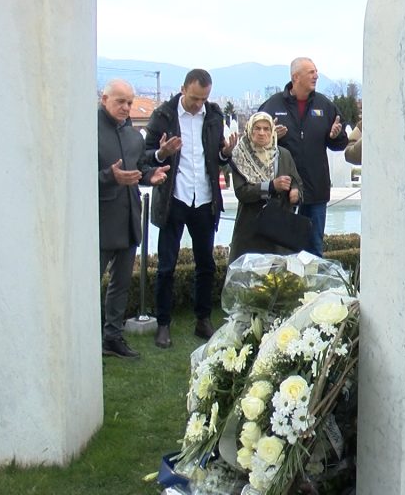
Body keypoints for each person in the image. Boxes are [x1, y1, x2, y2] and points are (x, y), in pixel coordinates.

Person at [145, 69, 238, 348]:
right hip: (174, 197)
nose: (198, 104)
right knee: (166, 266)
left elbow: (216, 157)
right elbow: (146, 156)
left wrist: (225, 154)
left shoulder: (213, 116)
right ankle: (163, 323)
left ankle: (203, 319)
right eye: (195, 98)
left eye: (203, 99)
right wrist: (162, 153)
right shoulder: (163, 116)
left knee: (205, 264)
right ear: (183, 89)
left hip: (205, 198)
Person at [97, 79, 170, 359]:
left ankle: (112, 337)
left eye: (129, 102)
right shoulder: (87, 131)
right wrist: (110, 177)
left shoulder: (133, 137)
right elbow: (75, 176)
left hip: (129, 219)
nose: (127, 107)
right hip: (99, 222)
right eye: (121, 102)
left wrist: (151, 176)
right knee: (89, 285)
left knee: (121, 284)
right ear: (104, 99)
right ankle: (84, 339)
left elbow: (139, 169)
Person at [259, 57, 349, 256]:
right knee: (281, 250)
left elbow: (341, 144)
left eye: (316, 71)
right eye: (311, 72)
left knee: (314, 249)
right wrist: (272, 138)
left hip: (316, 190)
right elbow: (255, 144)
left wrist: (335, 136)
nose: (316, 76)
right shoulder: (272, 105)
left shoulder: (325, 105)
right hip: (283, 193)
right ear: (295, 77)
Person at [227, 111, 303, 262]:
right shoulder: (239, 157)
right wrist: (270, 186)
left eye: (266, 129)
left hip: (279, 229)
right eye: (257, 128)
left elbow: (296, 181)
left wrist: (296, 192)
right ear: (250, 130)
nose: (262, 133)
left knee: (279, 272)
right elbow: (242, 192)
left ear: (272, 131)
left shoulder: (283, 155)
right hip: (251, 229)